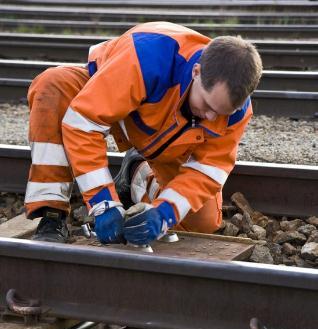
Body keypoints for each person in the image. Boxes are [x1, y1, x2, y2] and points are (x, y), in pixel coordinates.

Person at [25, 21, 262, 245]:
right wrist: (103, 203)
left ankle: (136, 174)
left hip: (171, 144)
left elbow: (208, 171)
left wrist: (163, 214)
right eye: (208, 106)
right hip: (113, 104)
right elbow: (83, 124)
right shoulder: (146, 57)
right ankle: (52, 213)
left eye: (220, 113)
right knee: (51, 86)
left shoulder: (237, 111)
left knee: (201, 223)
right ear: (196, 72)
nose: (211, 117)